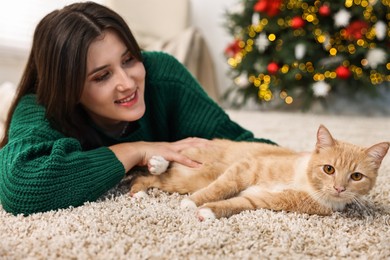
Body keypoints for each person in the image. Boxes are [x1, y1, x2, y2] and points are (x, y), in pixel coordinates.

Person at [0, 2, 275, 216]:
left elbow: (251, 147)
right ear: (68, 89)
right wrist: (135, 150)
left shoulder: (163, 75)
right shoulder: (41, 106)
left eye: (129, 59)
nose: (127, 82)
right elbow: (21, 188)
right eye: (101, 76)